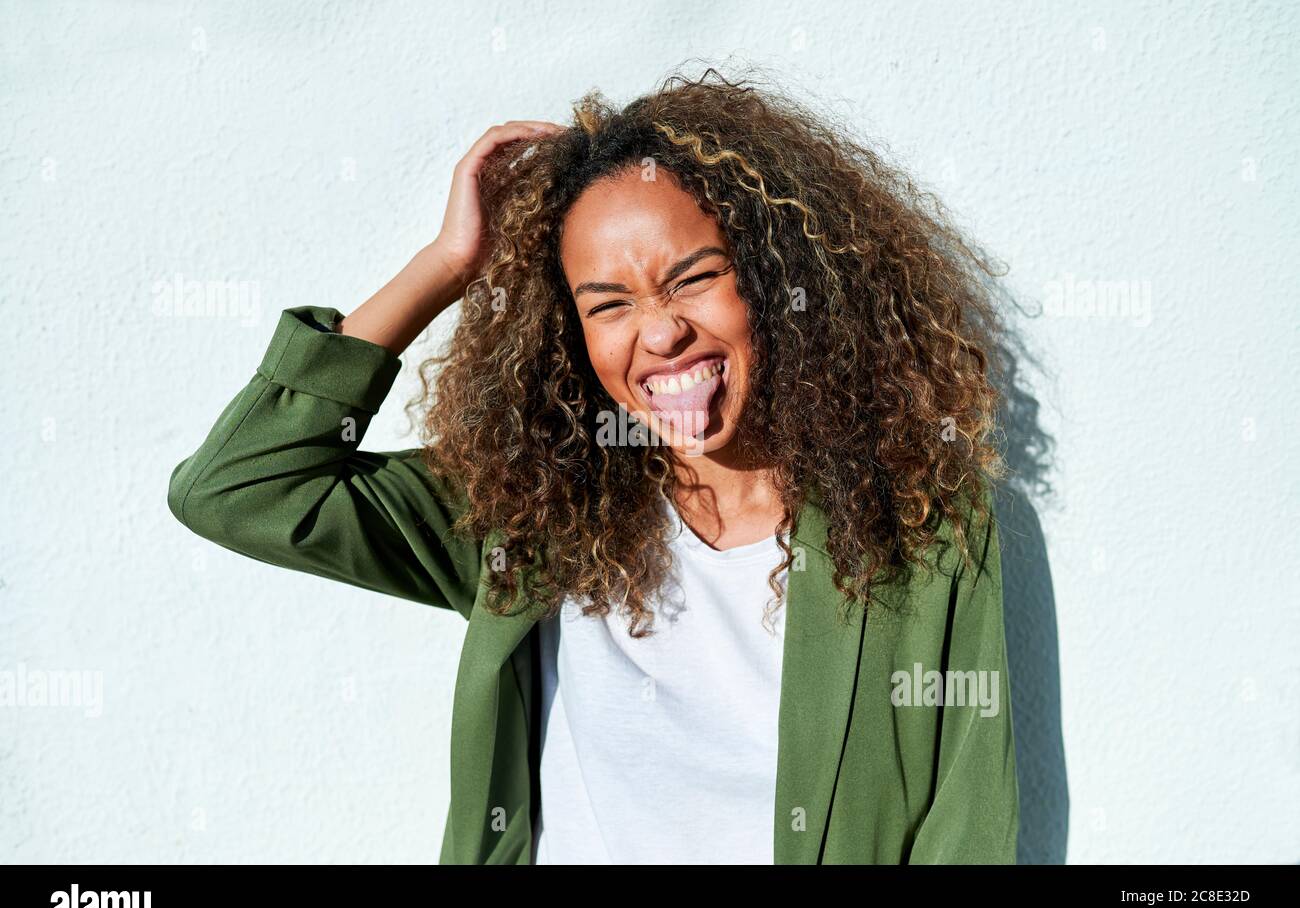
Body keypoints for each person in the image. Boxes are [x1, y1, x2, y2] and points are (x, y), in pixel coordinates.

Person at [168, 66, 1019, 864]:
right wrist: (447, 267)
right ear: (570, 334)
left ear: (777, 271)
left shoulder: (917, 521)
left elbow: (967, 821)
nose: (658, 333)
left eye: (693, 279)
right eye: (608, 305)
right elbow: (238, 486)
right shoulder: (532, 510)